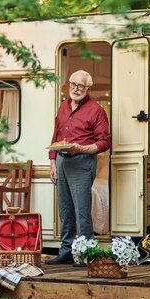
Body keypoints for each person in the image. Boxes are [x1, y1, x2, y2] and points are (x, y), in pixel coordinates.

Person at [46, 70, 111, 265]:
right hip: (61, 161)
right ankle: (66, 251)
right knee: (65, 211)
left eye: (80, 86)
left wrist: (81, 148)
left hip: (82, 161)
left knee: (82, 211)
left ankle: (85, 253)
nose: (75, 89)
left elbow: (104, 142)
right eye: (73, 84)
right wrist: (52, 162)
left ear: (88, 88)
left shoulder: (96, 110)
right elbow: (55, 136)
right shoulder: (63, 107)